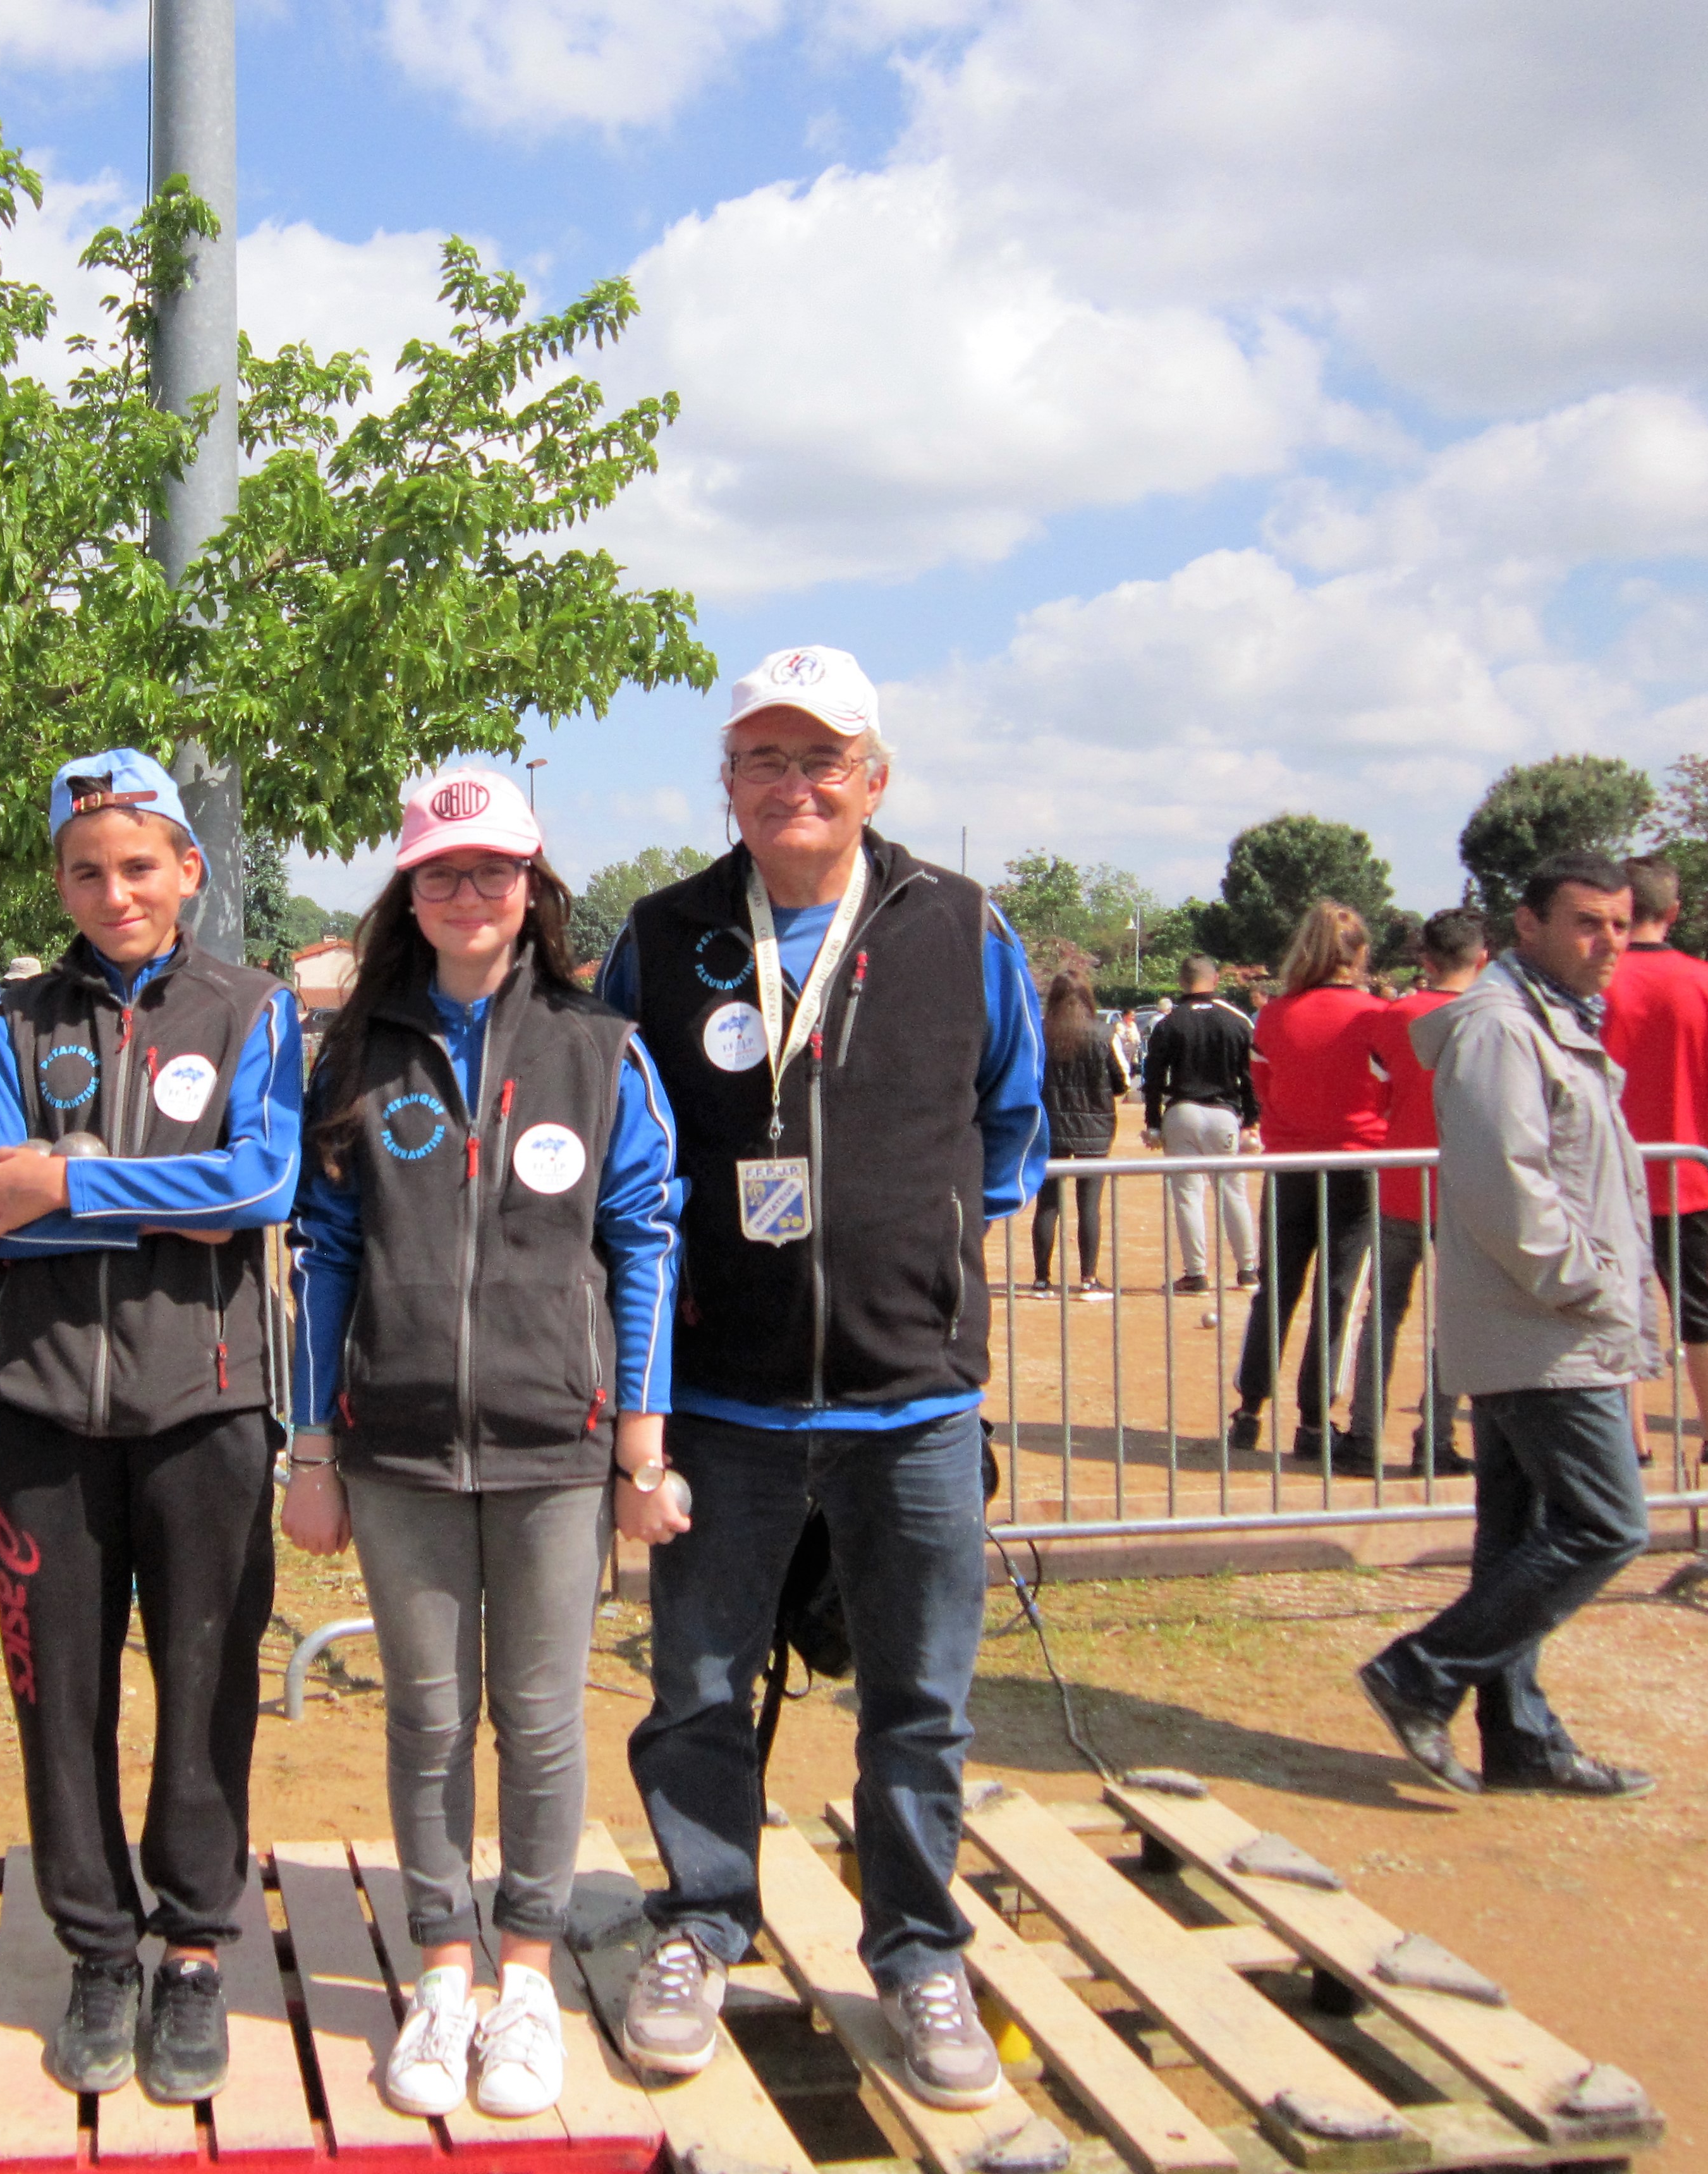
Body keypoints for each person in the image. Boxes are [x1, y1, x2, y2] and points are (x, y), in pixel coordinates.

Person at [596, 645, 1045, 2111]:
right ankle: (702, 1924)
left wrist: (905, 1259)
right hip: (719, 1405)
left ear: (876, 778)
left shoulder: (963, 926)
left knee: (920, 1699)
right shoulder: (659, 937)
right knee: (698, 1687)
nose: (794, 786)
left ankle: (919, 1950)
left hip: (909, 1403)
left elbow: (1014, 1127)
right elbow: (615, 1142)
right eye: (764, 761)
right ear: (726, 781)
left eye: (822, 759)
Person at [281, 770, 681, 2122]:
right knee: (430, 1716)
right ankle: (442, 1967)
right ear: (409, 891)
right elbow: (325, 1253)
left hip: (554, 1446)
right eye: (442, 875)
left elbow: (642, 1243)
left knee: (541, 1717)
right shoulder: (354, 1049)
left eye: (493, 872)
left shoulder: (599, 1045)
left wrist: (639, 1440)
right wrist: (312, 1446)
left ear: (532, 886)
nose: (468, 896)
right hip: (393, 1447)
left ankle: (528, 1978)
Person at [0, 749, 302, 2107]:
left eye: (140, 866)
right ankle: (98, 1950)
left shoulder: (253, 1009)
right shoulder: (13, 1024)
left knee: (206, 1686)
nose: (116, 892)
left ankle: (196, 1946)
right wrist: (139, 1189)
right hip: (41, 1409)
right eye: (88, 871)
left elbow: (259, 1181)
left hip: (208, 1405)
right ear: (60, 880)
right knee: (61, 1700)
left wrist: (72, 1176)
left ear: (189, 870)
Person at [1357, 855, 1658, 1800]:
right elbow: (1507, 1188)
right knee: (1607, 1521)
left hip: (1548, 1322)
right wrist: (1589, 1284)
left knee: (1520, 1534)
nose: (1607, 940)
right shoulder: (1501, 1028)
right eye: (1585, 922)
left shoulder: (1550, 1021)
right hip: (1545, 1327)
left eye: (1618, 922)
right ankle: (1420, 1671)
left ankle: (1520, 1734)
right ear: (1523, 925)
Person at [1599, 855, 1708, 1463]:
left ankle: (1630, 1444)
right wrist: (1698, 1084)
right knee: (1700, 1308)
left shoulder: (1593, 978)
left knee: (1617, 1309)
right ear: (1672, 912)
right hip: (1686, 1177)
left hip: (1606, 1174)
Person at [1228, 902, 1388, 1473]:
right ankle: (1314, 1421)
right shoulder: (1375, 1015)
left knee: (1275, 1289)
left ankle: (1248, 1409)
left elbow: (1263, 1085)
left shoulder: (1274, 1016)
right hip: (1356, 1164)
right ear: (1359, 953)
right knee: (1337, 1296)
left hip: (1291, 1163)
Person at [1362, 911, 1486, 1475]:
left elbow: (1378, 1096)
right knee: (1457, 1321)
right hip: (1465, 1189)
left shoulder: (1395, 1016)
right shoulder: (1491, 1018)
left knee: (1382, 1313)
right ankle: (1434, 1438)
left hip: (1399, 1184)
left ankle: (1364, 1432)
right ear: (1480, 959)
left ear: (1425, 961)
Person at [1140, 955, 1260, 1294]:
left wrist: (1154, 1123)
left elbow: (1153, 1078)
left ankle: (1197, 1274)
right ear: (1216, 979)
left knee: (1188, 1196)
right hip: (1224, 1113)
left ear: (1181, 982)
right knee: (1234, 1192)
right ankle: (1248, 1269)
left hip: (1182, 1111)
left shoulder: (1169, 1023)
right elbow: (1250, 1077)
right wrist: (1252, 1119)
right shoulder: (1236, 1021)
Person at [1030, 968, 1126, 1298]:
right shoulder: (1104, 1034)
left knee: (1047, 1204)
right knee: (1089, 1205)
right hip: (1094, 1128)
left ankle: (1041, 1280)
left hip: (1051, 1126)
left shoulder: (1040, 1032)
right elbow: (1120, 1083)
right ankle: (1088, 1280)